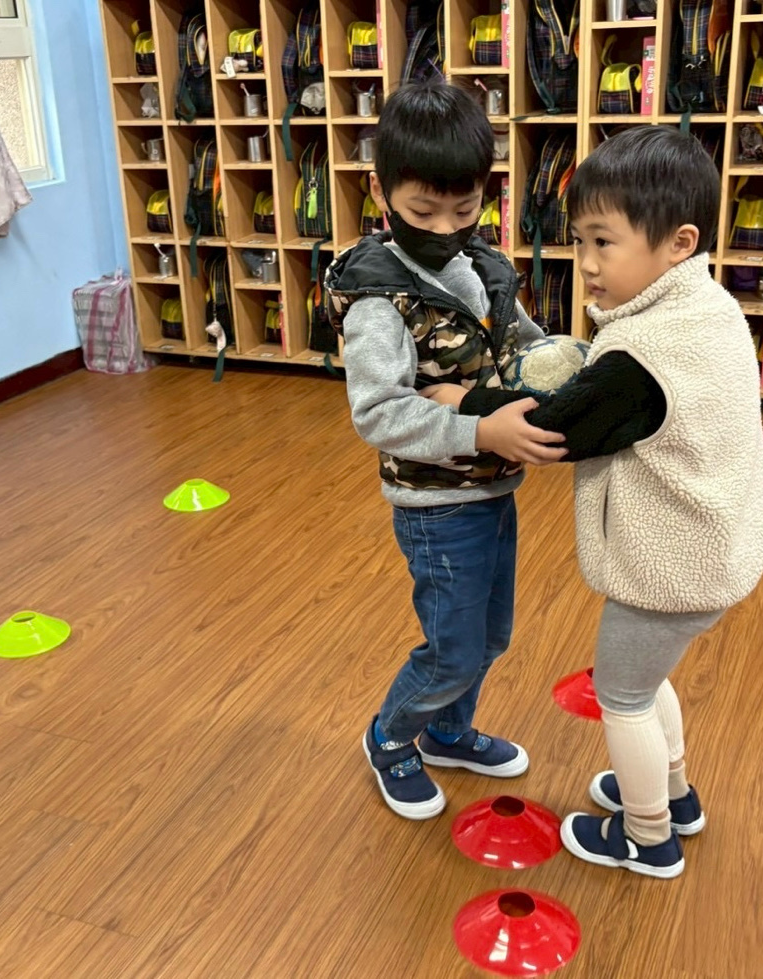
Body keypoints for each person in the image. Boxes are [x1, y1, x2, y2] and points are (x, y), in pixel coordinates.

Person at [426, 126, 763, 875]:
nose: (585, 263)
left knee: (622, 696)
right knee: (648, 681)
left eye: (603, 243)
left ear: (678, 243)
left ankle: (647, 837)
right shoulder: (709, 307)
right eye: (580, 241)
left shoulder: (642, 357)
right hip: (723, 548)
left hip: (672, 567)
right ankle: (673, 794)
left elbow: (558, 428)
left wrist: (464, 402)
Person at [324, 81, 567, 820]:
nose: (446, 227)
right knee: (452, 645)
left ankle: (448, 733)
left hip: (494, 490)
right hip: (435, 505)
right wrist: (480, 430)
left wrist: (574, 362)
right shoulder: (377, 299)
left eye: (464, 210)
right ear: (380, 192)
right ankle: (391, 736)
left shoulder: (479, 264)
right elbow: (378, 412)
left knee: (489, 635)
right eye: (424, 211)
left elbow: (525, 345)